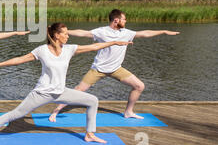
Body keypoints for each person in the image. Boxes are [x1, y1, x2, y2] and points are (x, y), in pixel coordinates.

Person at [0, 22, 133, 145]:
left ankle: (90, 134)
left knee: (93, 100)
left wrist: (114, 42)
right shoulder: (42, 50)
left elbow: (93, 46)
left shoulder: (69, 49)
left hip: (61, 92)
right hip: (42, 93)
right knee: (16, 114)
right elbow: (20, 59)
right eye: (64, 33)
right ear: (57, 35)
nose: (67, 36)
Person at [49, 9, 180, 122]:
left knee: (139, 86)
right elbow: (84, 33)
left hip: (116, 69)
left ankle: (128, 112)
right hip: (98, 69)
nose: (126, 21)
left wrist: (163, 31)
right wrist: (66, 32)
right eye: (124, 19)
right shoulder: (102, 31)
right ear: (116, 20)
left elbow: (145, 33)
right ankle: (56, 110)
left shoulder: (126, 33)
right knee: (78, 90)